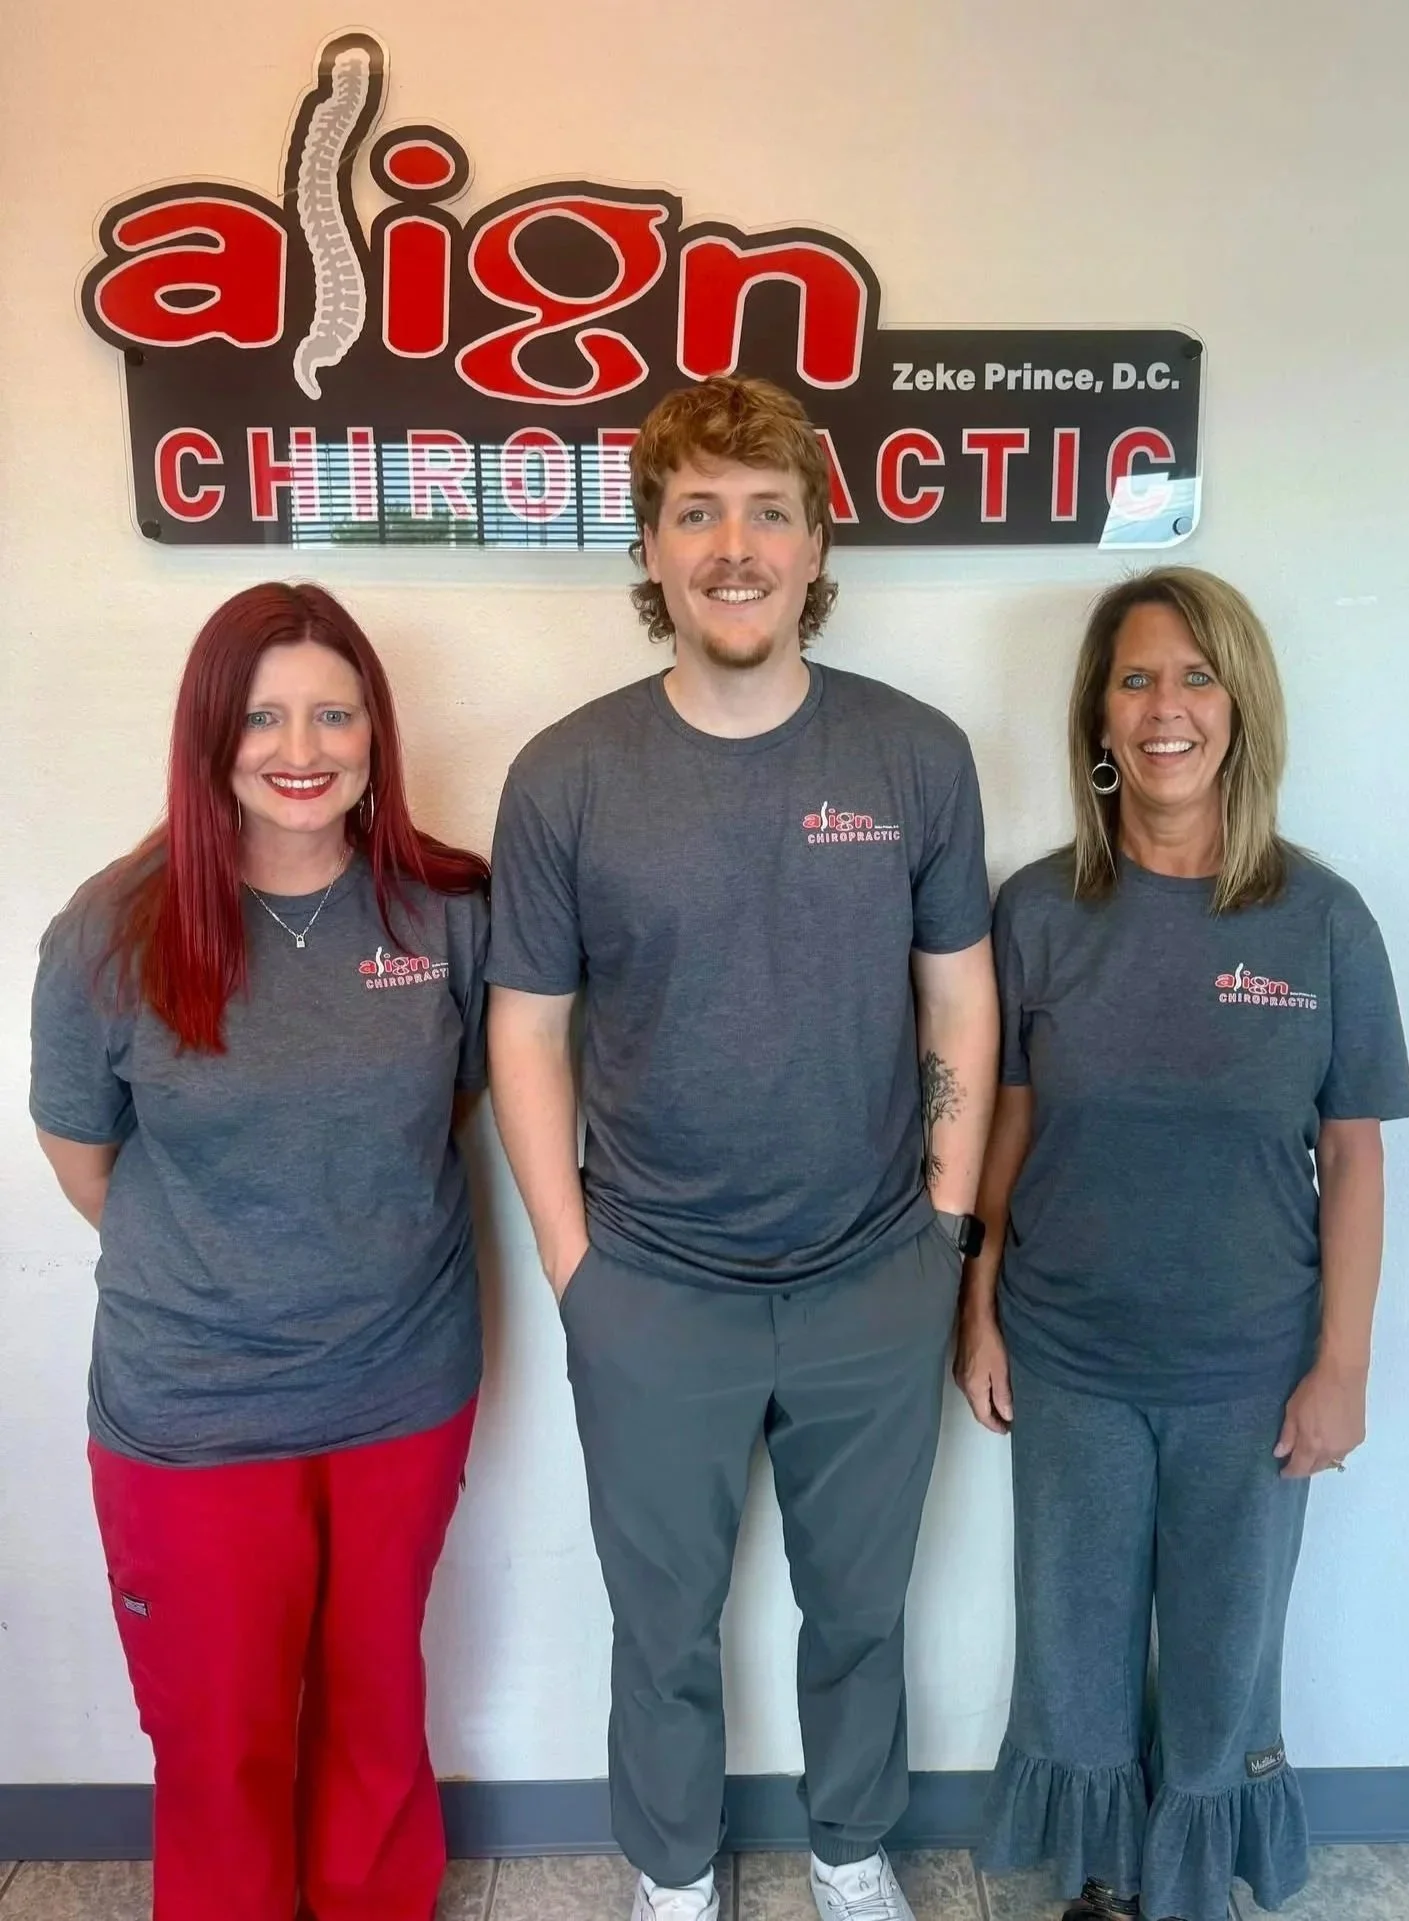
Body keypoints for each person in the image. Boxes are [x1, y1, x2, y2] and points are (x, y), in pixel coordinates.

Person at [485, 375, 999, 1921]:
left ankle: (850, 1850)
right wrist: (576, 1268)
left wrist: (945, 1230)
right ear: (649, 547)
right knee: (664, 1620)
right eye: (695, 510)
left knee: (860, 1606)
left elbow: (961, 995)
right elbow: (525, 1030)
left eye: (767, 510)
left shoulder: (913, 754)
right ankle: (672, 1870)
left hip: (871, 1278)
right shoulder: (566, 776)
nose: (733, 545)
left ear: (816, 538)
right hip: (650, 1283)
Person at [959, 568, 1409, 1921]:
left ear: (1241, 707)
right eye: (1137, 679)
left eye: (1196, 676)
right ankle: (1104, 1883)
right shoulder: (1039, 914)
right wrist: (975, 1307)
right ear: (1099, 719)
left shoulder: (1321, 922)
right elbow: (1010, 1122)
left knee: (1224, 1663)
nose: (1167, 708)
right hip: (1072, 1361)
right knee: (1076, 1656)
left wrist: (1343, 1366)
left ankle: (1192, 1885)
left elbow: (1355, 1155)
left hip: (1251, 1370)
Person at [30, 583, 491, 1921]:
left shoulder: (446, 910)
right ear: (210, 735)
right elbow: (86, 1159)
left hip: (402, 1392)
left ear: (374, 733)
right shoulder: (111, 934)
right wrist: (234, 1272)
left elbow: (447, 1111)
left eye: (335, 713)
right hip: (193, 1411)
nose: (304, 747)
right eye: (265, 715)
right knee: (220, 1738)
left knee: (373, 1704)